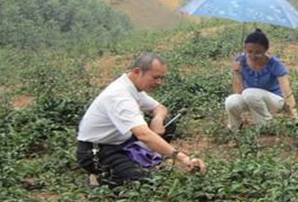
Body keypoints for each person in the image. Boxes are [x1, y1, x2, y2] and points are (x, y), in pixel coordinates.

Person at [77, 52, 206, 187]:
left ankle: (147, 160)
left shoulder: (134, 88)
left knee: (167, 123)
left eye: (162, 78)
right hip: (99, 151)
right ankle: (99, 178)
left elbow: (160, 108)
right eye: (156, 77)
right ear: (137, 72)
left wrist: (157, 119)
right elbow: (143, 135)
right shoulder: (119, 97)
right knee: (142, 183)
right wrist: (182, 157)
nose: (160, 83)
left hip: (123, 141)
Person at [225, 28, 298, 131]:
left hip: (274, 101)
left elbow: (287, 91)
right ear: (245, 48)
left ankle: (265, 126)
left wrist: (295, 117)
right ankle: (235, 127)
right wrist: (237, 73)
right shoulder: (240, 61)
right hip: (250, 98)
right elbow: (238, 92)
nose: (253, 56)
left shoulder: (275, 64)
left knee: (250, 93)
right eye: (249, 51)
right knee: (231, 101)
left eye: (258, 52)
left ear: (266, 50)